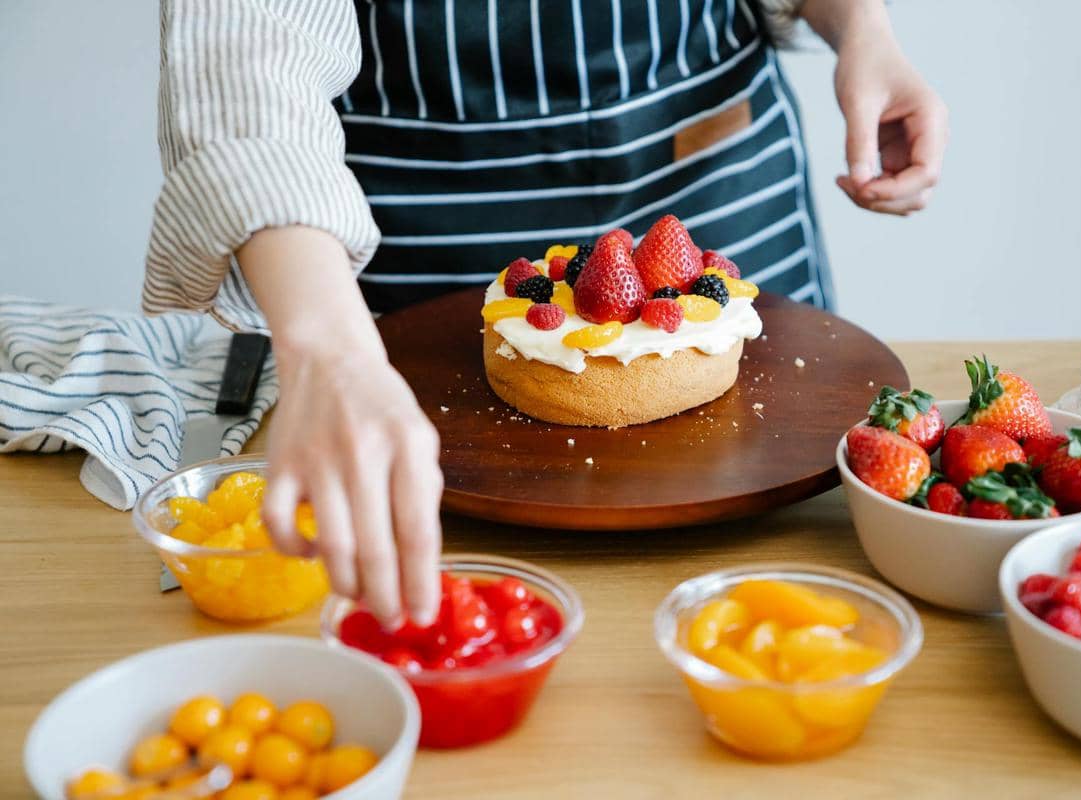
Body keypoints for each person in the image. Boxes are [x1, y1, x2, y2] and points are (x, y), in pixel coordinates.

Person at [145, 0, 947, 629]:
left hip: (707, 163)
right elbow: (245, 53)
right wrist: (329, 349)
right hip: (420, 212)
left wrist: (863, 25)